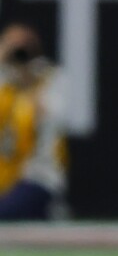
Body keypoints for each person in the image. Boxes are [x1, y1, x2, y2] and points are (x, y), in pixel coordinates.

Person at [0, 22, 67, 220]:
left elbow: (54, 115)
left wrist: (28, 80)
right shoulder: (3, 81)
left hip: (35, 177)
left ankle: (48, 209)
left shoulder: (52, 80)